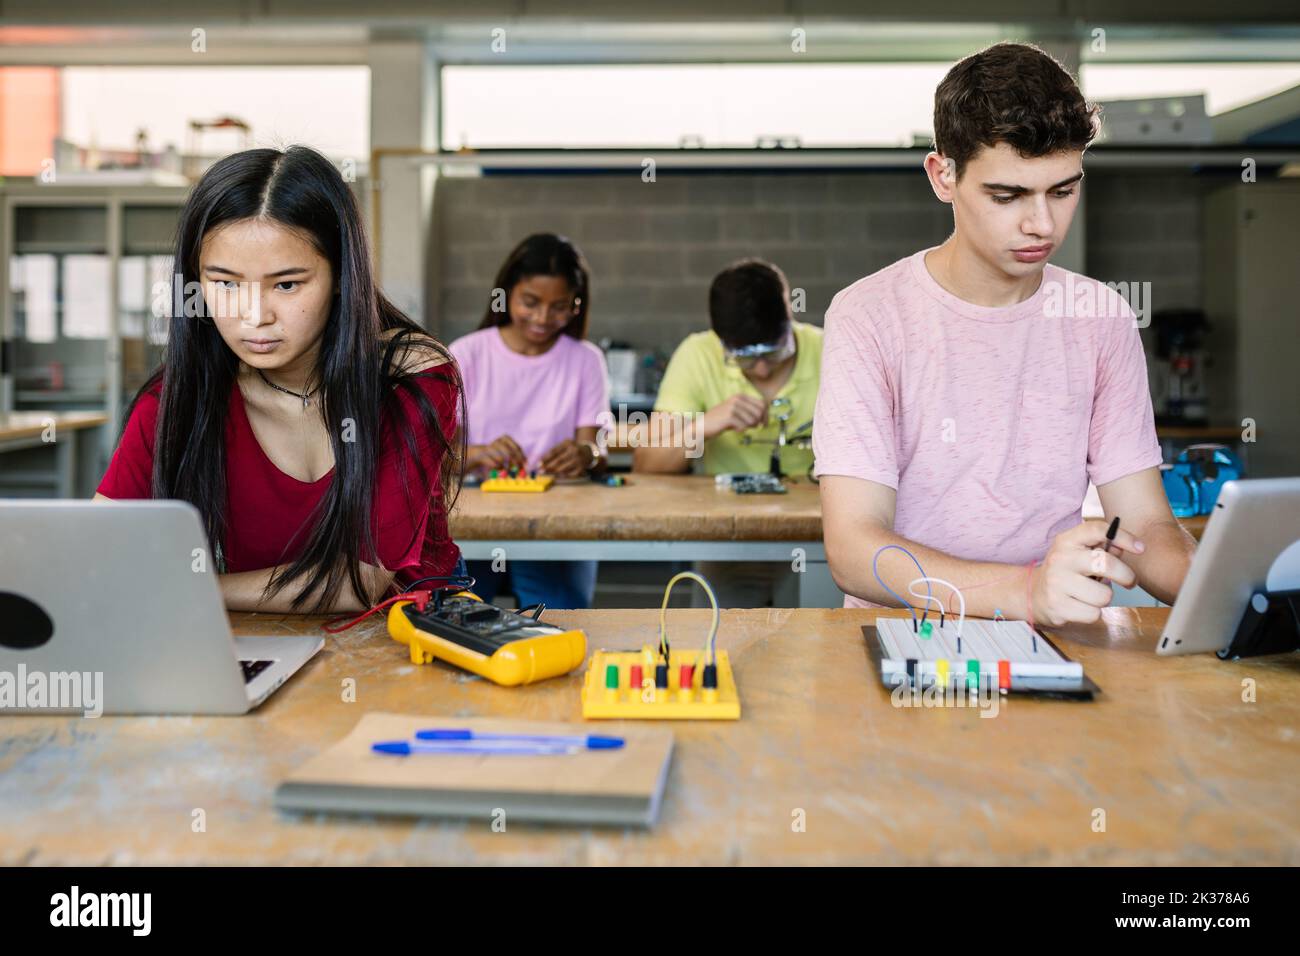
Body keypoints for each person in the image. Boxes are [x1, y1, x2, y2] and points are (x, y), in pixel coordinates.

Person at [814, 43, 1195, 626]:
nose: (1042, 224)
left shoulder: (1102, 317)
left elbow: (1143, 525)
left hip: (1058, 639)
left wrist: (1228, 593)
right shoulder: (867, 315)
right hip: (901, 641)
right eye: (1007, 195)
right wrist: (1024, 592)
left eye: (1062, 191)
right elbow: (854, 547)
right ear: (944, 176)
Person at [96, 145, 465, 614]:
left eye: (287, 284)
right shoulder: (175, 401)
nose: (255, 317)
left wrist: (189, 589)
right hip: (259, 640)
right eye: (225, 283)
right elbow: (100, 556)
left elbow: (361, 581)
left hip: (410, 642)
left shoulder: (411, 376)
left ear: (340, 276)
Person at [635, 259, 823, 607]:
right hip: (730, 542)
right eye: (745, 357)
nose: (763, 368)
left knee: (816, 645)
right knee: (720, 646)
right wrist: (706, 425)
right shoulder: (697, 354)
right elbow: (648, 461)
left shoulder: (828, 350)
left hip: (817, 538)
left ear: (790, 319)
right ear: (721, 341)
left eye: (773, 351)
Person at [449, 233, 611, 609]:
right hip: (473, 521)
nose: (542, 318)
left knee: (558, 625)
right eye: (530, 302)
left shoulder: (585, 360)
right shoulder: (466, 354)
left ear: (576, 305)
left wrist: (585, 454)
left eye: (559, 307)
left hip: (554, 522)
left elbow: (595, 447)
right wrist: (475, 455)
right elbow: (434, 458)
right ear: (506, 295)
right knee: (455, 623)